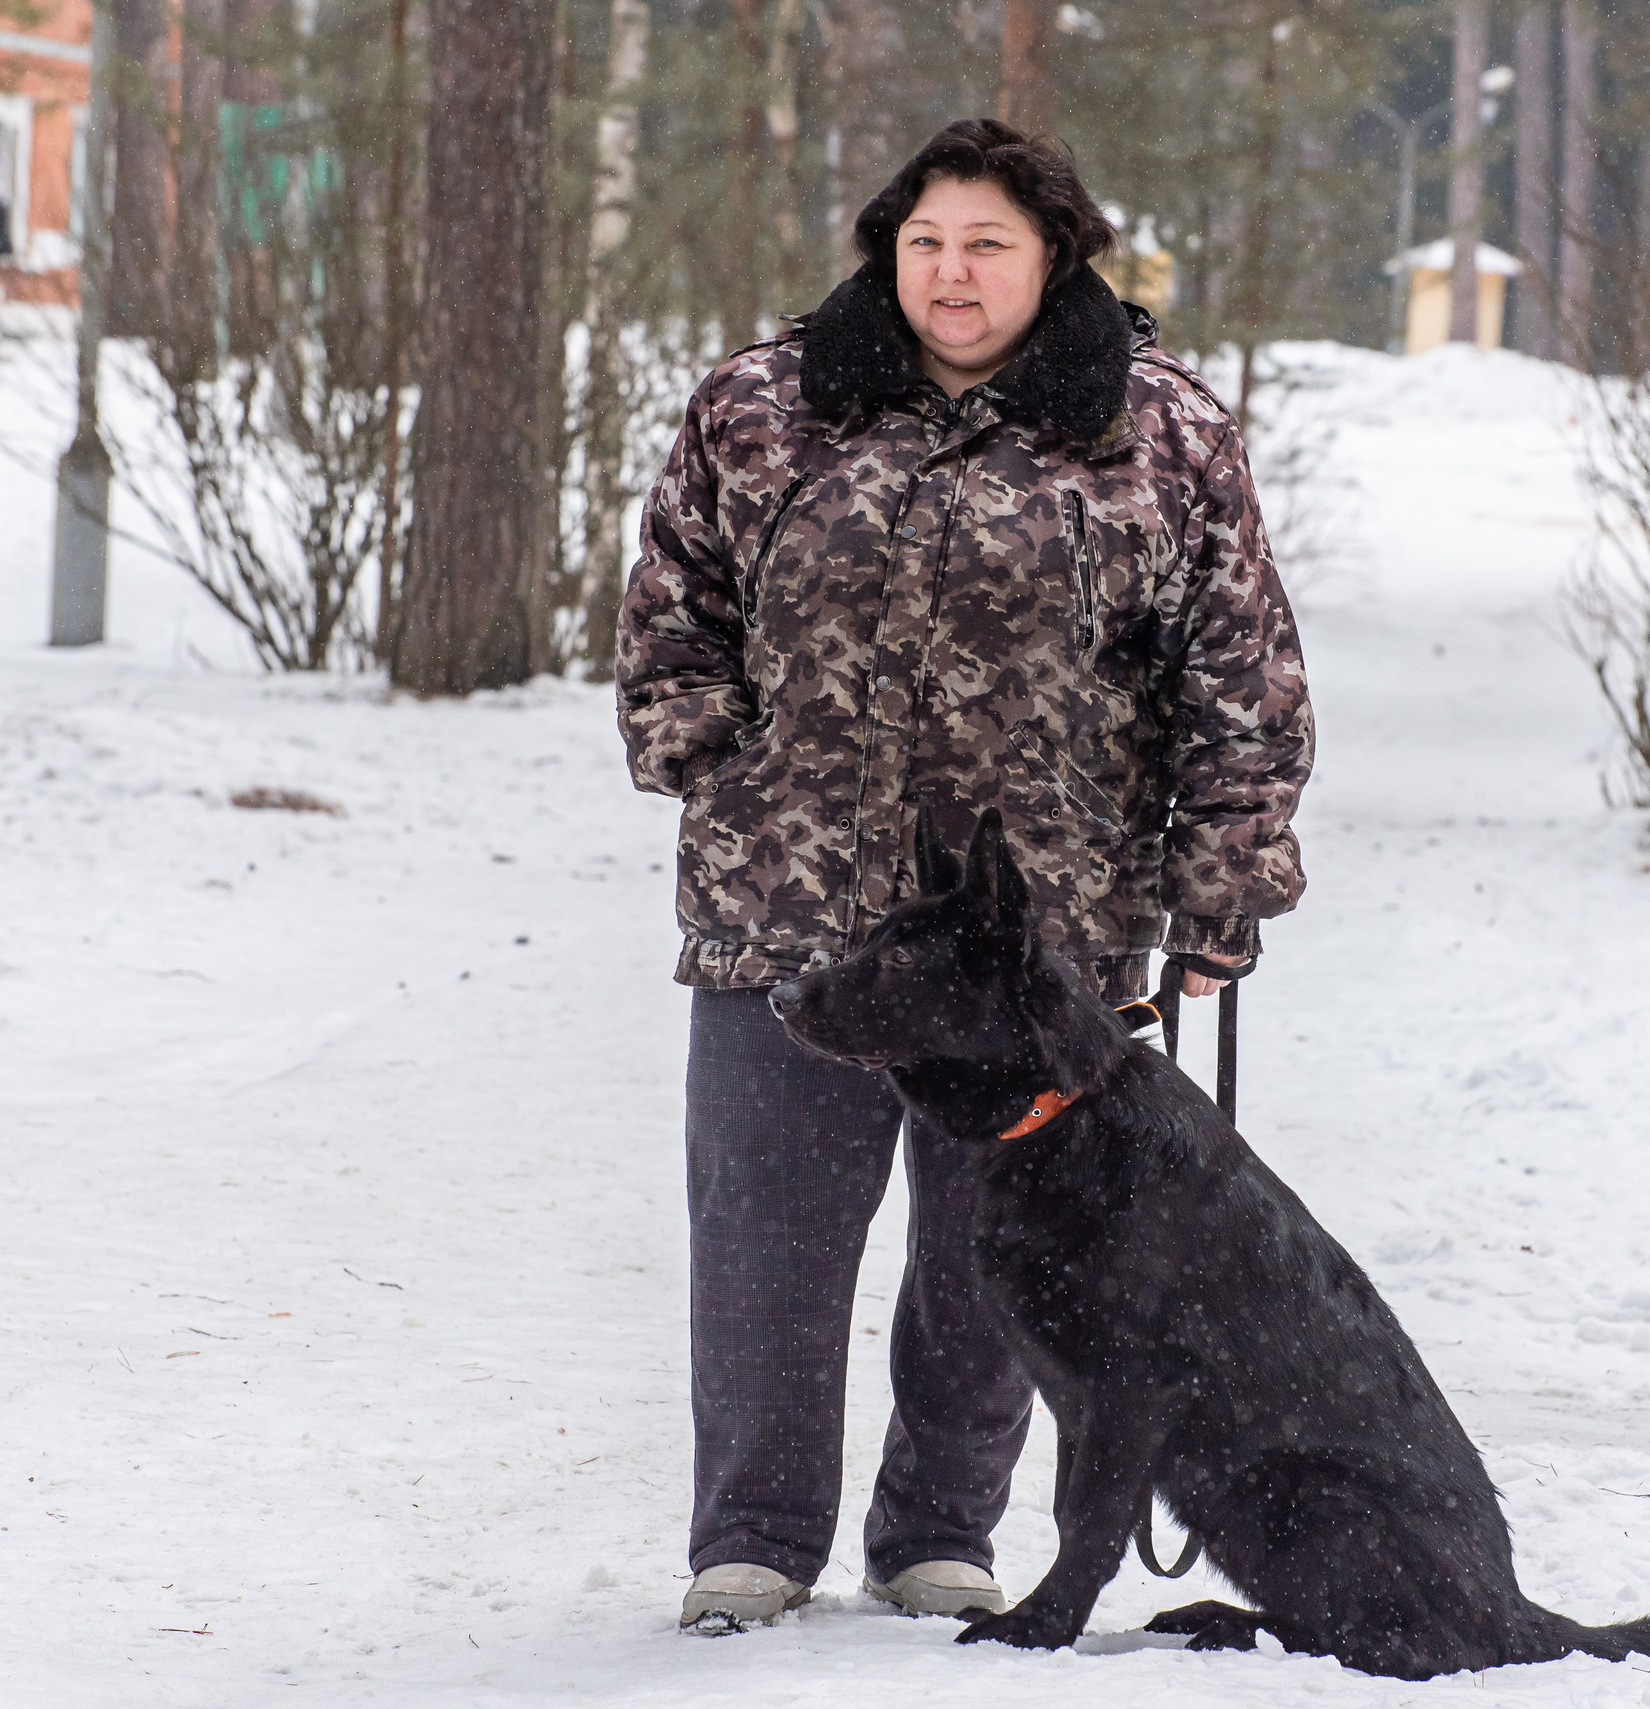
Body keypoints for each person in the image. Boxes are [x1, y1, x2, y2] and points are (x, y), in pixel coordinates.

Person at [615, 118, 1314, 1636]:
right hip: (786, 916)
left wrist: (1223, 882)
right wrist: (722, 768)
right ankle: (753, 1533)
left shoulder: (1161, 429)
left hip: (1040, 944)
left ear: (1055, 254)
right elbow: (670, 618)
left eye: (988, 243)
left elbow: (1240, 673)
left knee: (995, 1254)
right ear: (889, 248)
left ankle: (940, 1525)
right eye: (927, 241)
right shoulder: (760, 407)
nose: (953, 272)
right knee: (765, 1232)